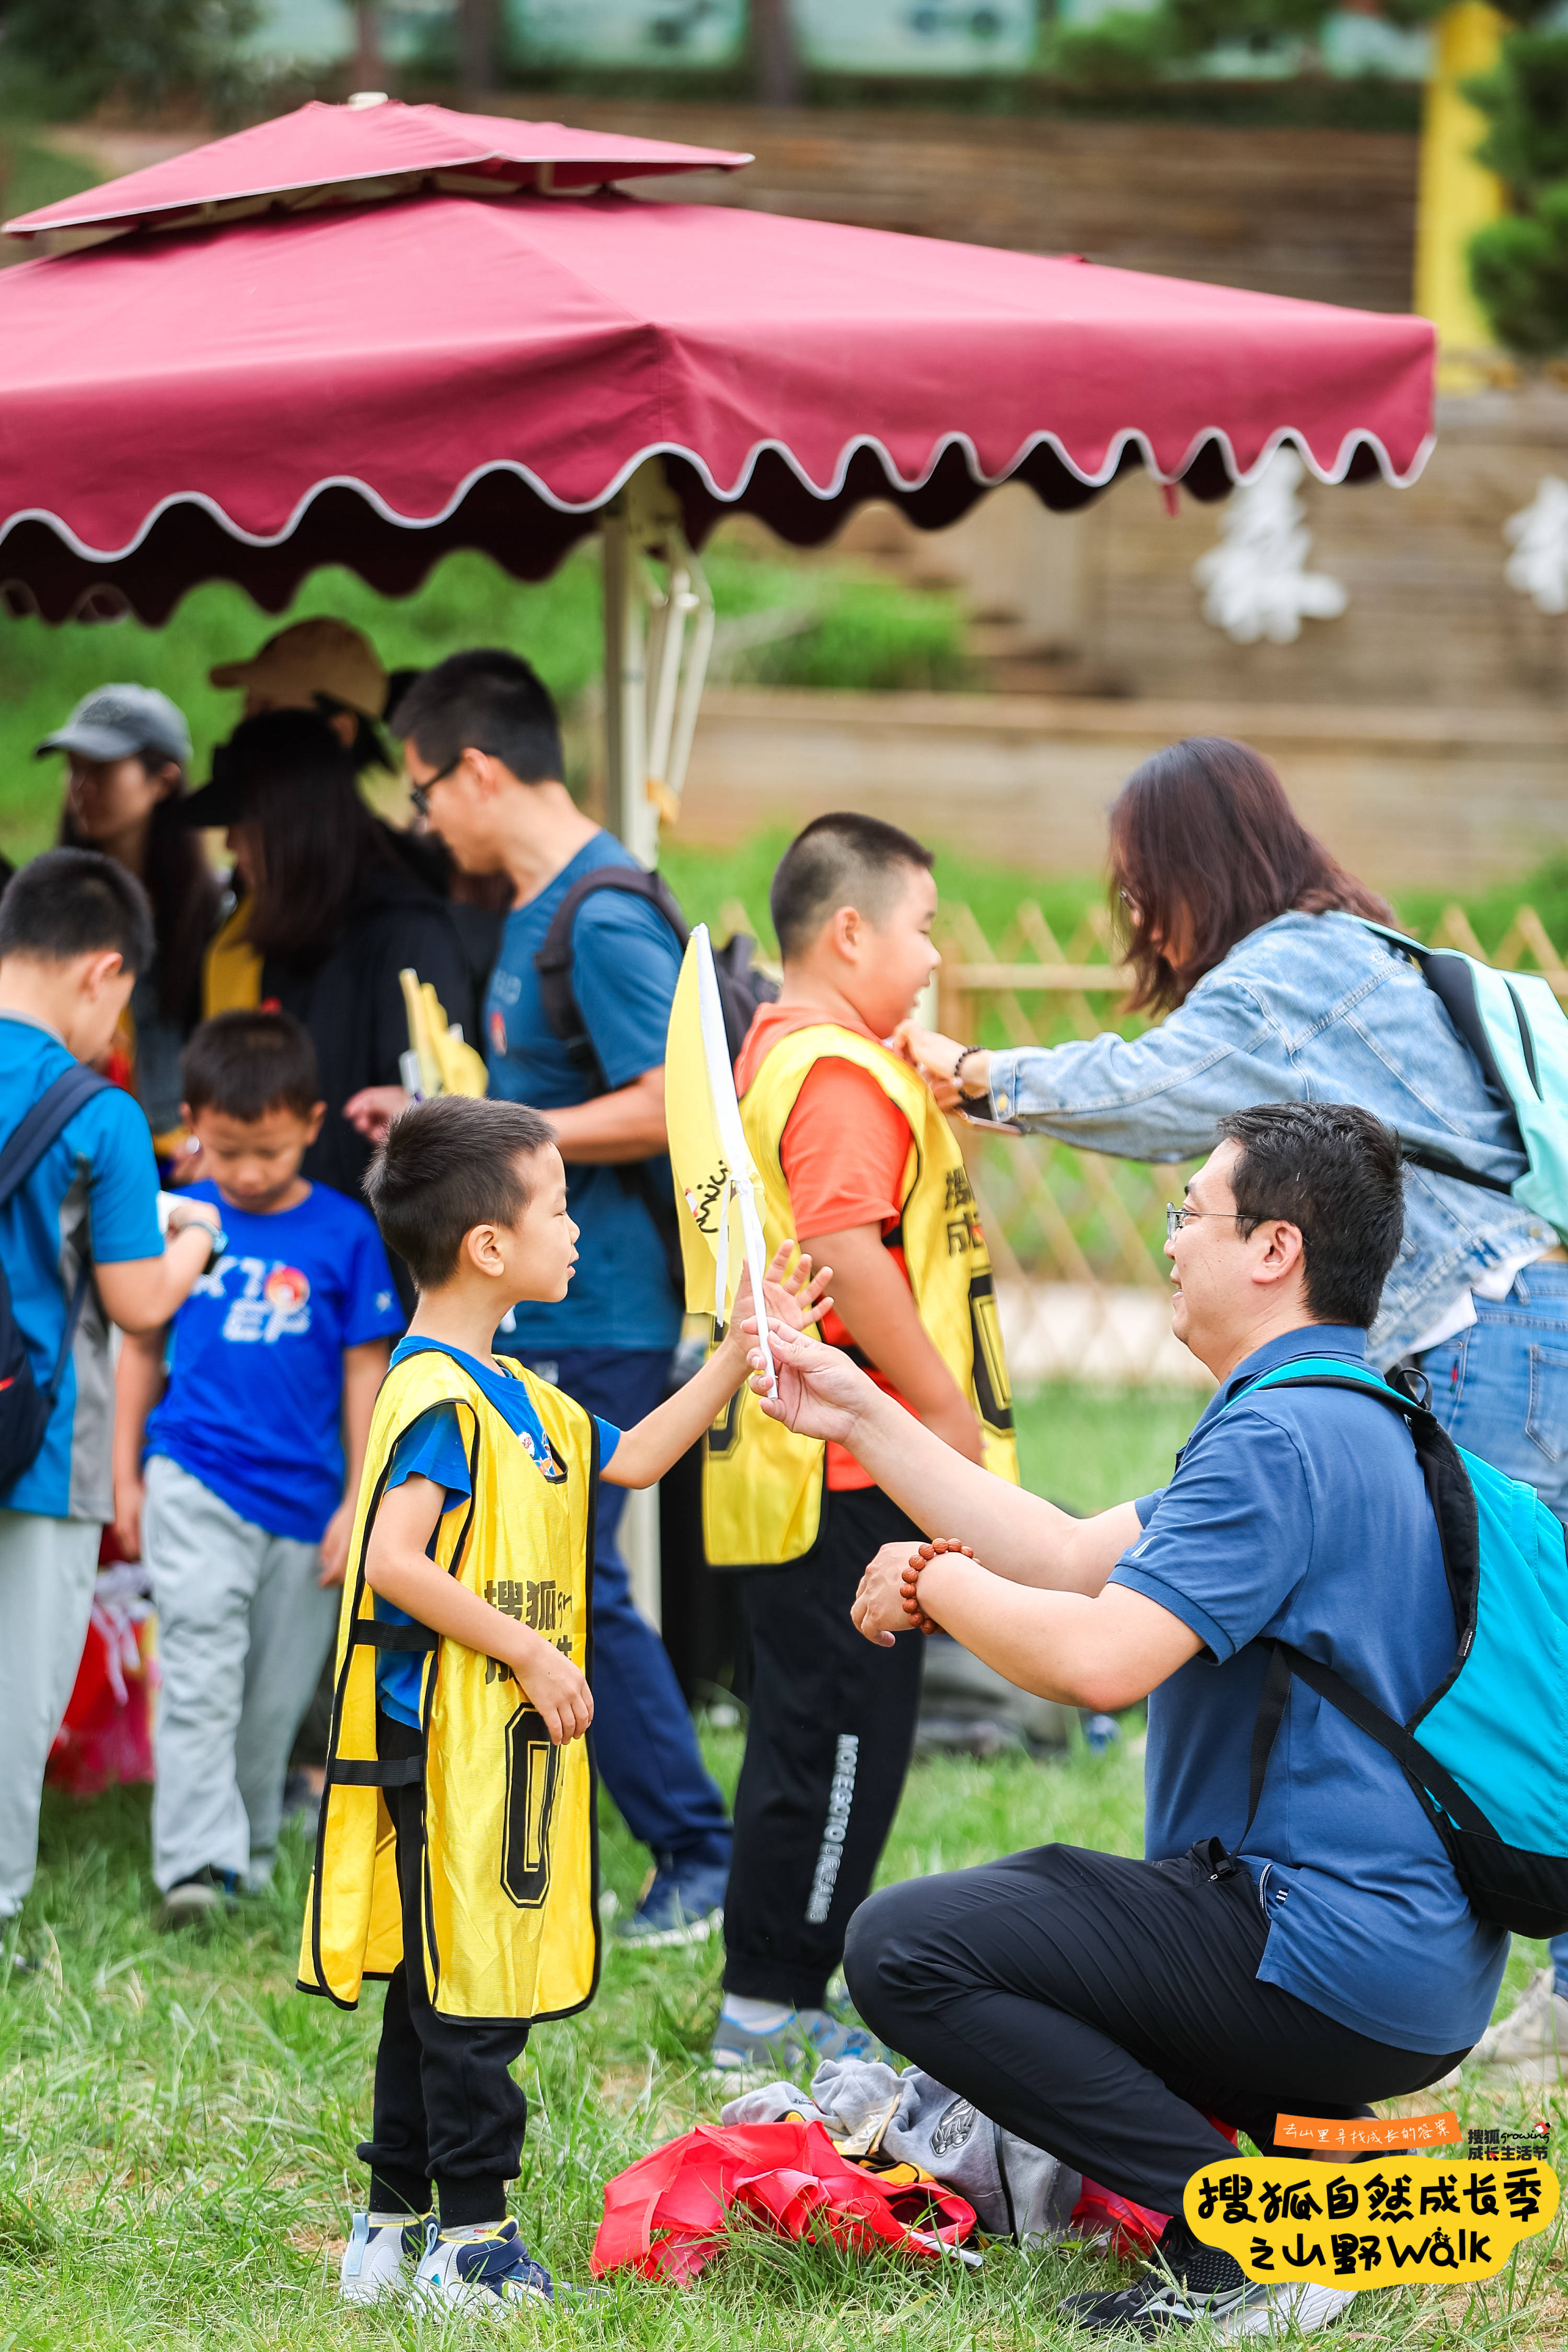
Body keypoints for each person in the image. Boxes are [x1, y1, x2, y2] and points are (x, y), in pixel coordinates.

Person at [753, 1102, 1504, 2338]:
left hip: (1318, 1944)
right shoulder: (1351, 1415)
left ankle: (1246, 2238)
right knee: (1071, 1934)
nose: (1167, 1242)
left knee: (905, 1946)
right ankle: (1335, 2184)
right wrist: (851, 1408)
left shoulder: (1275, 1437)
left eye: (1187, 1213)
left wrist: (928, 1578)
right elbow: (1060, 1557)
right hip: (1410, 1965)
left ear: (1272, 1248)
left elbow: (1097, 1660)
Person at [901, 733, 1568, 2066]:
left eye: (1140, 882)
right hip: (1521, 1318)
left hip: (1473, 1328)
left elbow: (1154, 1087)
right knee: (1510, 1643)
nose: (1135, 917)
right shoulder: (1357, 949)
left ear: (1198, 859)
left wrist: (974, 1073)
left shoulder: (1292, 967)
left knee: (1486, 1654)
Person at [298, 1094, 826, 2313]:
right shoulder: (436, 1396)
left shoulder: (511, 1391)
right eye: (557, 1206)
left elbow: (630, 1456)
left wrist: (739, 1357)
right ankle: (473, 2236)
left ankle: (391, 2222)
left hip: (495, 1756)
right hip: (450, 1750)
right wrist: (531, 1652)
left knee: (439, 1986)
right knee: (472, 1989)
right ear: (489, 1244)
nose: (576, 1228)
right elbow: (394, 1559)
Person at [348, 650, 733, 1947]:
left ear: (478, 769)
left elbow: (665, 1097)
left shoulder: (600, 913)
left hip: (604, 1303)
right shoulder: (529, 907)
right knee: (555, 1580)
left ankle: (693, 1848)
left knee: (582, 1586)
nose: (422, 822)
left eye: (421, 792)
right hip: (541, 1312)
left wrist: (502, 1151)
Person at [705, 813, 1021, 2075]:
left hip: (809, 1464)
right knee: (838, 1736)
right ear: (849, 932)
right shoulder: (836, 1073)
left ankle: (771, 1983)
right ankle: (771, 2005)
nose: (935, 954)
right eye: (924, 925)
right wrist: (937, 1414)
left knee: (810, 1726)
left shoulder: (797, 1048)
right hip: (846, 1471)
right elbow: (846, 1248)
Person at [112, 1010, 403, 1925]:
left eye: (269, 1151)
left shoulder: (347, 1235)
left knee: (274, 1696)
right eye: (227, 1149)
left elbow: (367, 1371)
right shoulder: (174, 1214)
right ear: (192, 1121)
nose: (245, 1172)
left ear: (313, 1125)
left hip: (307, 1501)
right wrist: (125, 1472)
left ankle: (246, 1854)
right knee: (198, 1671)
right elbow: (138, 1345)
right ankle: (194, 1869)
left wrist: (359, 1499)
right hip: (192, 1476)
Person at [0, 850, 226, 1922]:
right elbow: (139, 1304)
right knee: (16, 1692)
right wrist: (197, 1234)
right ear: (102, 970)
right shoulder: (100, 1114)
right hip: (40, 1444)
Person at [178, 708, 476, 1217]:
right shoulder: (279, 931)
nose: (229, 845)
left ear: (292, 827)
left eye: (242, 826)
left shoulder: (406, 935)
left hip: (379, 1268)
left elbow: (442, 1129)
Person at [39, 685, 221, 1165]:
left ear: (163, 780)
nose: (81, 787)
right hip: (77, 1147)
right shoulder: (50, 906)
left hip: (182, 1156)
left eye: (100, 770)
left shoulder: (211, 910)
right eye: (74, 769)